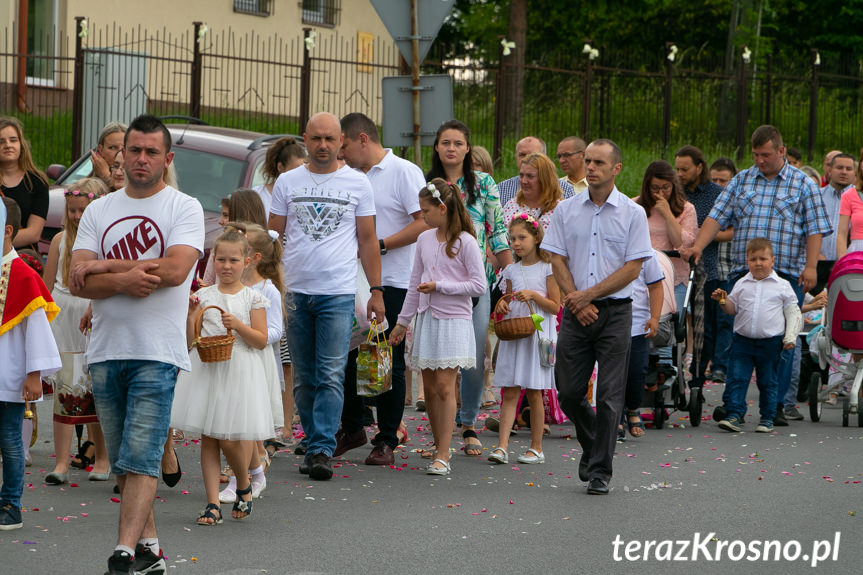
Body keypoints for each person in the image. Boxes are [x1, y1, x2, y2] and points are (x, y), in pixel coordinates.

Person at [69, 114, 204, 575]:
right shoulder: (98, 210)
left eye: (151, 152)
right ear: (119, 156)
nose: (141, 159)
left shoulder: (183, 207)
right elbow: (78, 282)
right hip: (106, 349)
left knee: (142, 454)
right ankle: (149, 549)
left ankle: (123, 554)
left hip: (157, 351)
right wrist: (126, 278)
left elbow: (174, 272)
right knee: (128, 460)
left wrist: (109, 268)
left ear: (166, 159)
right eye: (134, 150)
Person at [268, 112, 384, 481]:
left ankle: (320, 449)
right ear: (305, 139)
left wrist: (376, 291)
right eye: (315, 139)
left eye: (329, 139)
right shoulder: (287, 182)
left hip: (337, 292)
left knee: (332, 373)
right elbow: (273, 237)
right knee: (304, 376)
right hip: (296, 292)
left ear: (341, 142)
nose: (322, 145)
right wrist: (267, 284)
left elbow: (367, 240)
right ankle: (313, 439)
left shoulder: (357, 183)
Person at [689, 125, 831, 427]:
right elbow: (717, 215)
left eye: (765, 154)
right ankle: (733, 405)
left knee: (783, 340)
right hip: (744, 272)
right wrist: (698, 246)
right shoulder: (742, 179)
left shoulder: (802, 184)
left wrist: (810, 267)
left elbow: (815, 228)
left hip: (785, 272)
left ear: (781, 151)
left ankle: (777, 403)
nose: (760, 160)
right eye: (755, 155)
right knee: (736, 334)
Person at [544, 139, 652, 495]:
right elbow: (556, 258)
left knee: (608, 396)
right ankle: (593, 449)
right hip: (577, 313)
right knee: (570, 392)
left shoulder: (633, 214)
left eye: (598, 163)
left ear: (616, 168)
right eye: (587, 161)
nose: (590, 167)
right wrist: (577, 301)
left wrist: (590, 294)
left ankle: (600, 471)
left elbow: (634, 268)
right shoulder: (566, 210)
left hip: (616, 313)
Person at [334, 112, 427, 466]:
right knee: (345, 353)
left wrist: (381, 245)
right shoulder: (349, 176)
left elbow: (423, 222)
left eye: (343, 145)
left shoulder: (402, 171)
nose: (340, 154)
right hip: (354, 278)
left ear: (361, 139)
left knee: (388, 358)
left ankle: (387, 438)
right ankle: (353, 426)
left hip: (394, 280)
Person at [171, 224, 276, 524]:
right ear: (213, 260)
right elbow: (193, 340)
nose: (226, 266)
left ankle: (243, 484)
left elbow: (259, 338)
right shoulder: (204, 295)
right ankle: (212, 504)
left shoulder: (252, 298)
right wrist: (192, 315)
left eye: (233, 260)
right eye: (221, 259)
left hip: (239, 370)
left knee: (230, 438)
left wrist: (238, 326)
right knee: (209, 438)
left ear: (247, 262)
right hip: (209, 369)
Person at [425, 119, 511, 457]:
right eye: (445, 142)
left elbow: (498, 230)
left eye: (458, 143)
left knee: (474, 356)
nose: (451, 148)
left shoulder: (484, 183)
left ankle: (469, 423)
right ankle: (438, 437)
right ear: (436, 147)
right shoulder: (428, 184)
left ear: (467, 148)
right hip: (435, 285)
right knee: (434, 363)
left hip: (475, 285)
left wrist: (514, 281)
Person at [389, 179, 487, 475]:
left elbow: (478, 286)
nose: (423, 217)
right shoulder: (425, 239)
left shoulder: (465, 242)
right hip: (428, 319)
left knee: (445, 386)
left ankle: (444, 453)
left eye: (426, 211)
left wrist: (440, 286)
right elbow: (414, 284)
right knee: (429, 388)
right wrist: (402, 322)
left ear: (442, 209)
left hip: (454, 321)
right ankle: (438, 442)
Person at [42, 178, 111, 485]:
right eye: (72, 210)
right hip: (63, 319)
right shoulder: (60, 242)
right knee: (65, 390)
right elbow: (46, 286)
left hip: (91, 317)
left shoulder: (102, 243)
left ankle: (103, 457)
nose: (77, 216)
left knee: (96, 391)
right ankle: (60, 462)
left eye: (83, 210)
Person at [0, 197, 61, 530]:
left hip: (9, 374)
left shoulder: (22, 274)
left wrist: (34, 374)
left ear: (7, 230)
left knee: (9, 440)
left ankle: (11, 502)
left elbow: (37, 329)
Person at [218, 223, 284, 502]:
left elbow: (276, 331)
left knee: (243, 424)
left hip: (256, 360)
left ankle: (238, 480)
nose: (230, 263)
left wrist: (247, 332)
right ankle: (254, 472)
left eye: (237, 257)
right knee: (234, 422)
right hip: (232, 359)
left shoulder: (268, 291)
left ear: (252, 258)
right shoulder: (234, 287)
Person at [488, 213, 560, 464]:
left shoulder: (548, 268)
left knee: (534, 391)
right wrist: (502, 307)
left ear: (536, 237)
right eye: (512, 238)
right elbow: (508, 299)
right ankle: (502, 446)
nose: (516, 243)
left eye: (522, 237)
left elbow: (554, 305)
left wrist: (533, 296)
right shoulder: (511, 269)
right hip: (516, 332)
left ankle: (536, 447)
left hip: (538, 332)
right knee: (510, 389)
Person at [711, 238, 801, 433]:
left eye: (763, 258)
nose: (758, 263)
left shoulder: (783, 285)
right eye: (753, 259)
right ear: (747, 261)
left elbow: (793, 312)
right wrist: (722, 300)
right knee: (737, 378)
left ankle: (767, 418)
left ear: (772, 260)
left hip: (770, 342)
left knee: (768, 381)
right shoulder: (742, 283)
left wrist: (790, 337)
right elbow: (732, 309)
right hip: (742, 341)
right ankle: (734, 414)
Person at [674, 145, 726, 389]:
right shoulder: (674, 192)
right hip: (676, 267)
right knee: (675, 320)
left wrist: (703, 235)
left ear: (699, 167)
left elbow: (731, 229)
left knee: (704, 327)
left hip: (707, 268)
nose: (681, 174)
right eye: (677, 169)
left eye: (685, 169)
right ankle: (672, 371)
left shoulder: (716, 193)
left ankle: (697, 378)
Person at [635, 160, 697, 312]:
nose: (660, 194)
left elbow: (681, 244)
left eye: (666, 188)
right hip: (641, 277)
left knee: (675, 323)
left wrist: (668, 214)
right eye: (655, 188)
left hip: (674, 278)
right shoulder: (635, 206)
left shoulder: (687, 209)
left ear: (673, 186)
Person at [620, 252, 665, 439]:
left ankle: (633, 408)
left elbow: (655, 286)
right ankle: (616, 417)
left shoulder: (647, 253)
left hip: (638, 325)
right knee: (613, 374)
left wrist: (654, 318)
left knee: (636, 372)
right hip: (610, 325)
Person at [707, 157, 737, 388]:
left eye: (723, 180)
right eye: (714, 179)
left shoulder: (735, 203)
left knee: (725, 320)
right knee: (707, 323)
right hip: (708, 271)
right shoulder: (707, 202)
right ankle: (707, 363)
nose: (718, 184)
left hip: (728, 271)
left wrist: (703, 233)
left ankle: (720, 366)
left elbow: (731, 233)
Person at [0, 117, 49, 251]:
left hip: (24, 260)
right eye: (1, 141)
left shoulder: (37, 182)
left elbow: (34, 233)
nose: (8, 145)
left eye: (13, 140)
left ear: (21, 144)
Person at [202, 190, 268, 286]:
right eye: (221, 259)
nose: (220, 221)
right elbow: (207, 284)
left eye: (226, 215)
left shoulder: (262, 252)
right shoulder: (220, 245)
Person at [498, 136, 574, 206]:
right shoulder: (502, 188)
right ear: (516, 157)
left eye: (533, 155)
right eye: (522, 155)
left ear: (544, 157)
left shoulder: (565, 189)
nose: (527, 158)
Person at [501, 152, 564, 228]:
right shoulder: (510, 206)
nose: (524, 181)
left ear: (544, 179)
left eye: (530, 176)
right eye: (521, 175)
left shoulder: (561, 210)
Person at [255, 137, 307, 216]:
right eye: (295, 170)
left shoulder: (307, 197)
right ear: (280, 167)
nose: (301, 174)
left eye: (304, 169)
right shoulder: (258, 196)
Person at [832, 154, 859, 260]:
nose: (844, 172)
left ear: (855, 172)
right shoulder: (817, 196)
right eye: (839, 168)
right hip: (820, 261)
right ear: (830, 169)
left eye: (849, 169)